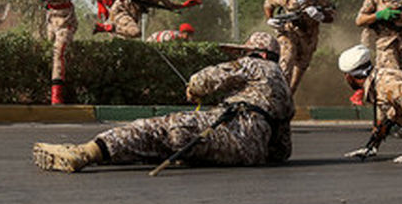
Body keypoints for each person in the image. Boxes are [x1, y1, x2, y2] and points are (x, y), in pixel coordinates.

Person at [33, 32, 294, 172]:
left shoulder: (252, 64)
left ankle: (86, 152)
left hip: (231, 128)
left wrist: (193, 89)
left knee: (157, 129)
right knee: (167, 145)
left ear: (256, 53)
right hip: (250, 155)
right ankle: (102, 154)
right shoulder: (283, 84)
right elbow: (282, 150)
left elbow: (207, 79)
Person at [26, 0, 102, 105]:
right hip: (50, 20)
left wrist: (100, 2)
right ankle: (47, 89)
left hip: (66, 20)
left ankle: (57, 95)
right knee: (48, 52)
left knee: (58, 51)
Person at [264, 0, 337, 93]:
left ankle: (289, 94)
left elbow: (333, 16)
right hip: (289, 33)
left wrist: (320, 16)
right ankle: (280, 92)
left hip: (308, 37)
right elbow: (268, 4)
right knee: (287, 60)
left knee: (300, 69)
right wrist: (270, 20)